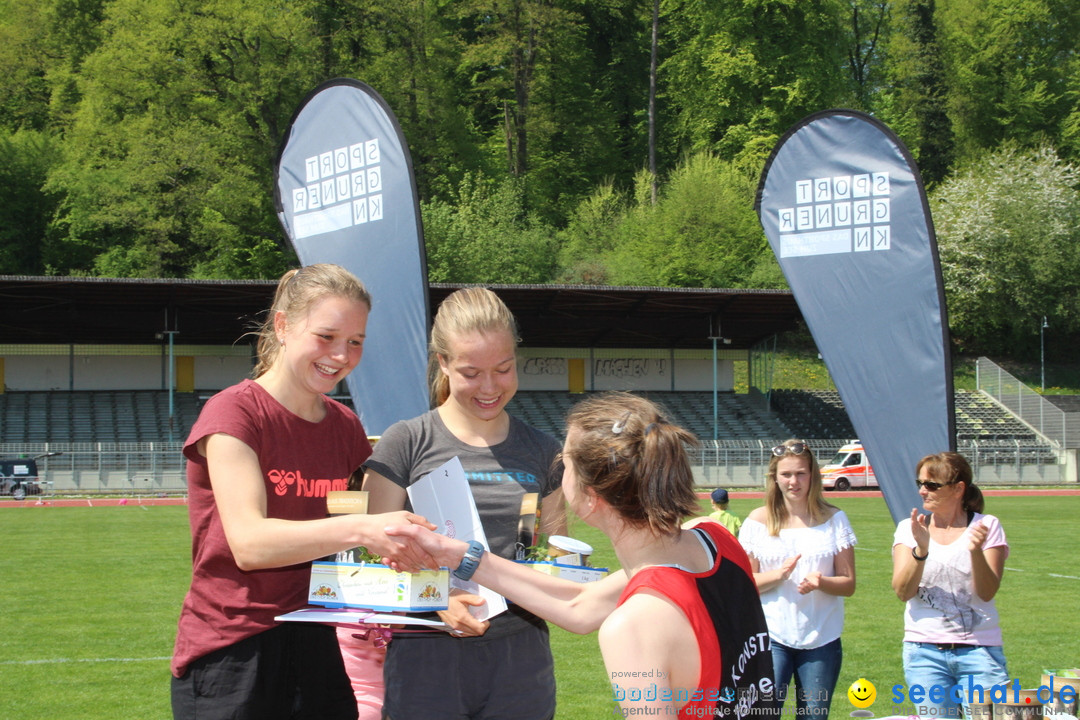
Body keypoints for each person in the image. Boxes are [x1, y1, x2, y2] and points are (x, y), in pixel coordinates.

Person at [386, 392, 780, 719]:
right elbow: (579, 604)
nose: (559, 470)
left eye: (566, 463)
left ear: (591, 500)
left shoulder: (633, 625)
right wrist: (458, 555)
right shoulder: (713, 540)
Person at [170, 264, 434, 720]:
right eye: (326, 336)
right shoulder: (234, 413)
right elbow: (251, 545)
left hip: (316, 640)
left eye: (355, 341)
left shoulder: (345, 426)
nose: (342, 354)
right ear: (283, 325)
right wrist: (363, 529)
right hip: (234, 648)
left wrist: (436, 578)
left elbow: (368, 538)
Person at [362, 287, 568, 720]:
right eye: (471, 372)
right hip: (426, 658)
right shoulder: (406, 442)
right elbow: (368, 555)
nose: (490, 387)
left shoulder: (543, 450)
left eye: (504, 368)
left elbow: (557, 557)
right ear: (443, 363)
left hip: (521, 658)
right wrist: (438, 598)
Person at [738, 439, 856, 719]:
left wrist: (821, 582)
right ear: (774, 478)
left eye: (801, 473)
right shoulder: (757, 522)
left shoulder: (835, 520)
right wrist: (777, 576)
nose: (794, 481)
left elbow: (849, 584)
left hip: (822, 639)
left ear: (813, 475)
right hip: (772, 637)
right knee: (764, 714)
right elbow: (745, 585)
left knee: (813, 716)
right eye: (786, 474)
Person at [891, 452, 1009, 719]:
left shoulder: (986, 526)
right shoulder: (908, 529)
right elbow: (902, 591)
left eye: (932, 485)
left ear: (958, 489)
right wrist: (921, 549)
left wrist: (976, 550)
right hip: (924, 654)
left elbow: (987, 592)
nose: (923, 491)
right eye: (920, 483)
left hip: (980, 652)